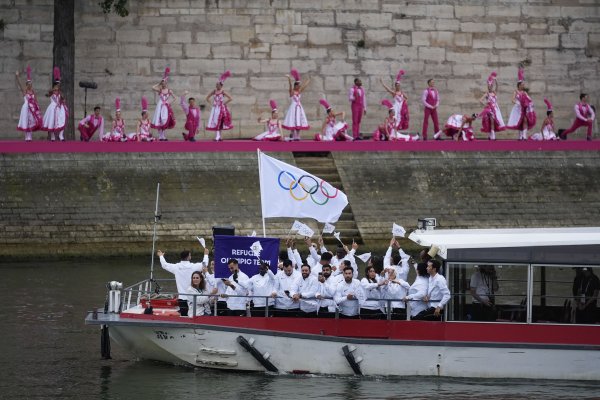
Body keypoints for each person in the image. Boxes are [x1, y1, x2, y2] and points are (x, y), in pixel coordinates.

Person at [157, 249, 206, 317]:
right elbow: (204, 264)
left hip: (182, 297)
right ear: (188, 257)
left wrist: (161, 256)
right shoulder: (193, 266)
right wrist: (206, 254)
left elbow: (164, 265)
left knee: (184, 317)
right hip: (193, 297)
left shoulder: (176, 267)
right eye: (190, 255)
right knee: (194, 316)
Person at [506, 68, 536, 140]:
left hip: (524, 108)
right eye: (522, 85)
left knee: (525, 120)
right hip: (518, 108)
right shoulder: (515, 92)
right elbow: (512, 99)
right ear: (519, 85)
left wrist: (531, 104)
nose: (523, 86)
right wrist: (517, 103)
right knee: (520, 122)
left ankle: (524, 136)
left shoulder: (524, 92)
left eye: (523, 85)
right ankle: (520, 136)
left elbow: (529, 99)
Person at [15, 66, 43, 142]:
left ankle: (29, 136)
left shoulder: (33, 92)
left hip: (32, 109)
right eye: (28, 84)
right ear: (27, 85)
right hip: (26, 108)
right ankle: (26, 136)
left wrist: (38, 108)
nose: (30, 85)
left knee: (31, 121)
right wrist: (17, 77)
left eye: (31, 84)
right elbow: (20, 85)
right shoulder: (25, 92)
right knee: (26, 121)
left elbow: (36, 100)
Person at [282, 68, 311, 141]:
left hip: (299, 108)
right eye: (298, 86)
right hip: (293, 107)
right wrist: (289, 79)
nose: (299, 87)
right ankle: (292, 134)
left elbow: (304, 86)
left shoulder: (299, 91)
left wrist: (308, 81)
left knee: (299, 120)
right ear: (295, 86)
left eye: (299, 86)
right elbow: (290, 86)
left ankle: (297, 135)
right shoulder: (292, 92)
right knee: (292, 120)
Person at [205, 70, 233, 141]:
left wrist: (224, 103)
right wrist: (212, 103)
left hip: (221, 108)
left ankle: (219, 137)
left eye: (218, 85)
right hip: (215, 109)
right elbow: (207, 98)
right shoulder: (214, 91)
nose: (216, 86)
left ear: (221, 85)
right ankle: (218, 137)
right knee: (215, 121)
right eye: (216, 84)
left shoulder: (223, 92)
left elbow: (230, 98)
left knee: (220, 122)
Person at [42, 67, 68, 142]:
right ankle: (52, 137)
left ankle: (61, 135)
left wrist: (63, 99)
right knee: (52, 122)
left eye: (59, 85)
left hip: (60, 108)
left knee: (62, 121)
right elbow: (47, 94)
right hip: (53, 108)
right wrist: (54, 89)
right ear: (55, 85)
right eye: (58, 85)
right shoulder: (51, 92)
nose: (59, 86)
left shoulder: (60, 93)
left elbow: (63, 99)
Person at [151, 67, 176, 141]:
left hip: (165, 106)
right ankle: (160, 136)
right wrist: (159, 83)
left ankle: (163, 135)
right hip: (160, 105)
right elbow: (152, 87)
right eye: (162, 83)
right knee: (159, 119)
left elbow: (175, 98)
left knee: (164, 120)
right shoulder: (160, 90)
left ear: (166, 83)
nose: (163, 84)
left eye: (164, 83)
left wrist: (169, 103)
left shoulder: (169, 90)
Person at [479, 71, 505, 140]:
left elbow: (497, 86)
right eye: (489, 86)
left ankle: (491, 135)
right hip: (489, 109)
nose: (490, 87)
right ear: (488, 86)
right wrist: (485, 104)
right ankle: (492, 136)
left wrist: (495, 80)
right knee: (491, 120)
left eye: (491, 85)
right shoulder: (487, 94)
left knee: (493, 121)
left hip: (495, 109)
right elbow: (480, 100)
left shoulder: (494, 92)